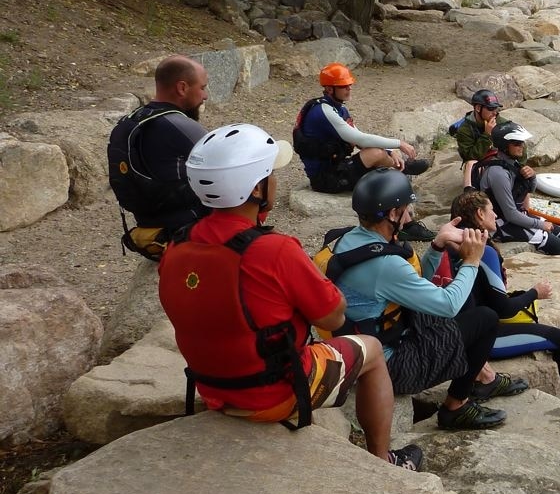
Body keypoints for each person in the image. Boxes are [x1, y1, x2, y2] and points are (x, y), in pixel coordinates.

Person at [157, 123, 422, 471]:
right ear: (256, 189)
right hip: (273, 395)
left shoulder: (176, 245)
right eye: (270, 174)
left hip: (212, 386)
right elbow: (332, 317)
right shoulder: (274, 250)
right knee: (370, 348)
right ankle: (382, 461)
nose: (275, 182)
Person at [318, 168, 522, 430]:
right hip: (390, 367)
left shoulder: (347, 241)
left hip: (361, 344)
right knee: (485, 318)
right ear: (393, 213)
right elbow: (448, 305)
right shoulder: (385, 265)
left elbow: (412, 284)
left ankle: (481, 377)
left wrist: (436, 246)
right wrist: (472, 260)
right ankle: (456, 407)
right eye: (406, 207)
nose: (410, 213)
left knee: (452, 305)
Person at [449, 189, 560, 421]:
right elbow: (503, 309)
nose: (496, 215)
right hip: (483, 339)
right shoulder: (483, 252)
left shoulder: (452, 242)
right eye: (491, 210)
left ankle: (484, 381)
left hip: (461, 328)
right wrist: (535, 293)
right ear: (479, 214)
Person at [107, 54, 210, 258]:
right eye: (202, 88)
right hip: (187, 231)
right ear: (182, 88)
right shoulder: (180, 126)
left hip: (149, 228)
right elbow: (225, 166)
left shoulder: (128, 123)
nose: (205, 96)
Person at [293, 62, 429, 194]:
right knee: (375, 153)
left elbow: (358, 139)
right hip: (324, 179)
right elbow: (361, 139)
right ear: (329, 89)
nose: (349, 88)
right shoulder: (322, 111)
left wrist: (389, 151)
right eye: (344, 86)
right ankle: (402, 168)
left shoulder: (338, 108)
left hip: (337, 167)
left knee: (379, 152)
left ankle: (399, 167)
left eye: (350, 85)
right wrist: (399, 144)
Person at [477, 121, 560, 255]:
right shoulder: (498, 173)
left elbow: (529, 191)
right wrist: (541, 225)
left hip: (513, 216)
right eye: (517, 143)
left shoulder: (511, 164)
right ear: (505, 146)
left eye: (522, 142)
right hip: (500, 223)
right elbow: (510, 214)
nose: (522, 146)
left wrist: (532, 177)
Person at [449, 88, 520, 187]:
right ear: (478, 108)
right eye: (490, 109)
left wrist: (521, 167)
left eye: (496, 108)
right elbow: (470, 156)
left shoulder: (501, 123)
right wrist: (487, 135)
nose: (494, 113)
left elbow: (518, 144)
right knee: (472, 165)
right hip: (478, 162)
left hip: (498, 158)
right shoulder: (465, 129)